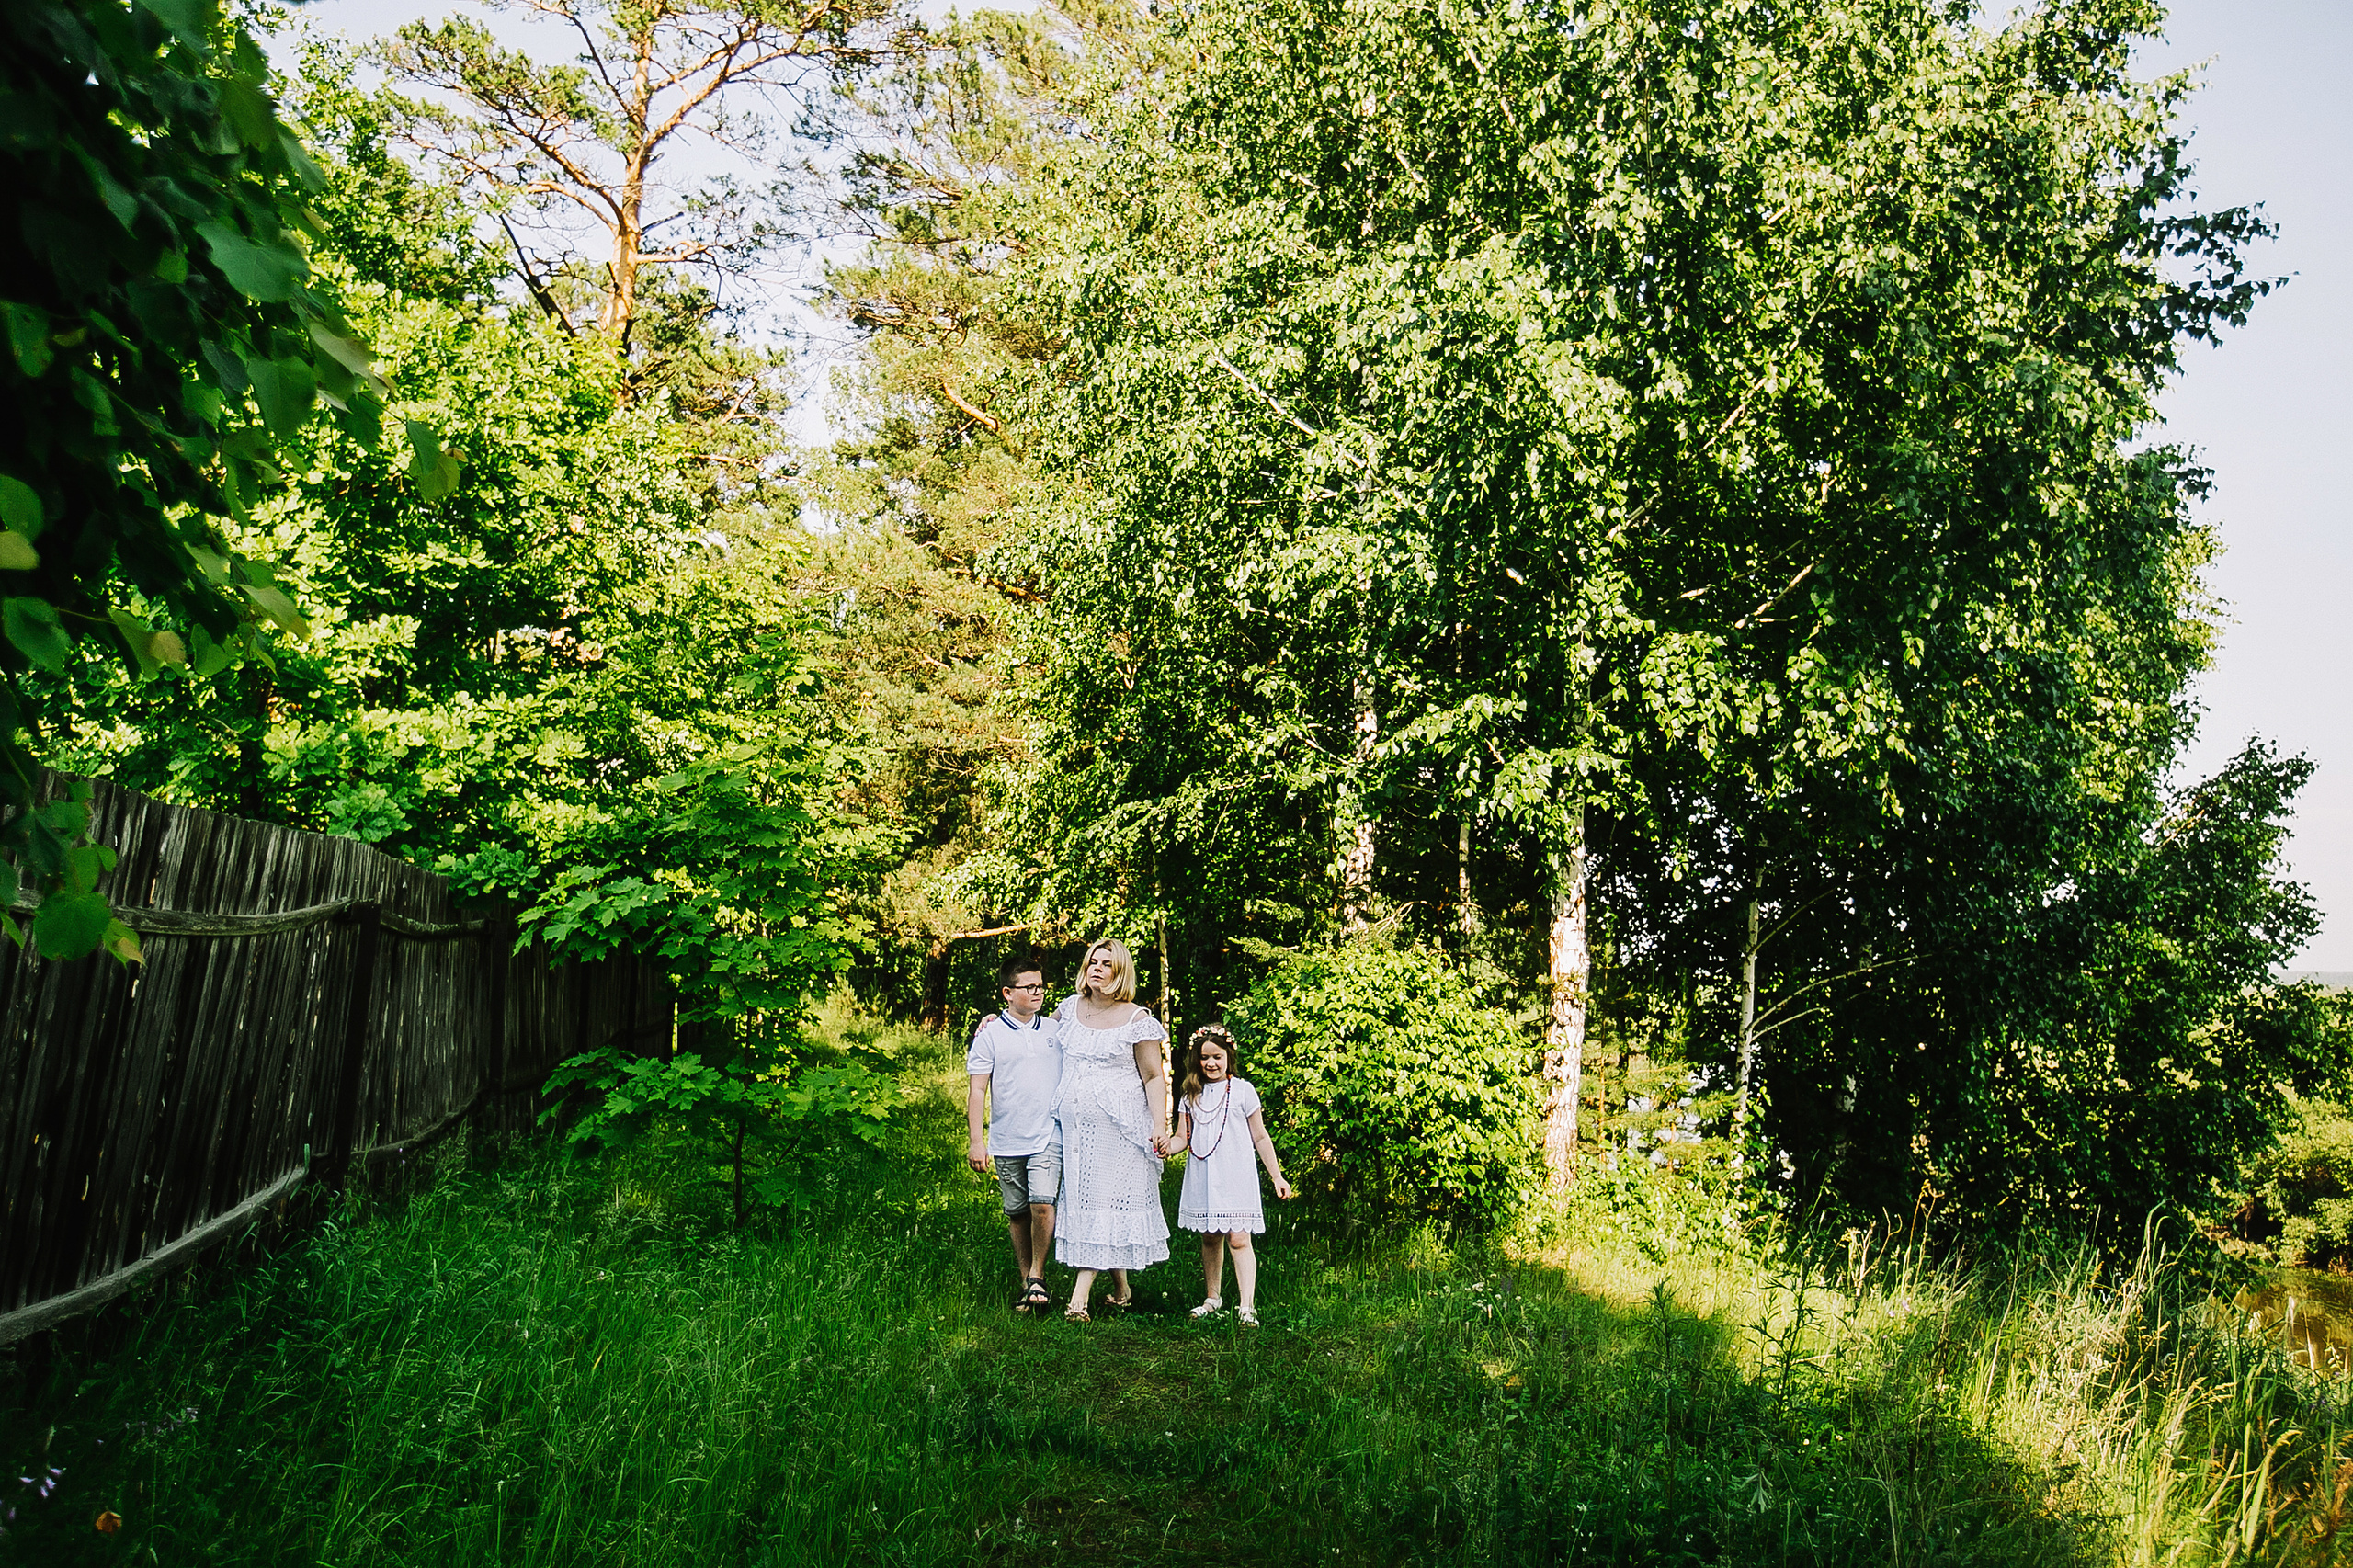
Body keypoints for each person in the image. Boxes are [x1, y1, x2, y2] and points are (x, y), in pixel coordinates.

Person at [1050, 937, 1171, 1320]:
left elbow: (1153, 1077)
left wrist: (1158, 1124)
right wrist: (997, 1021)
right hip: (1075, 1133)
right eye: (1093, 962)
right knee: (1091, 1203)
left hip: (1122, 1132)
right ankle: (1121, 1289)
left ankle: (1078, 1299)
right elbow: (1036, 1043)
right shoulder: (1068, 1009)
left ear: (1121, 973)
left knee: (1105, 1203)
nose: (1097, 968)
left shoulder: (1138, 1020)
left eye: (1107, 964)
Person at [1172, 1024, 1292, 1325]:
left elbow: (1260, 1136)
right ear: (1196, 1059)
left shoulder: (1242, 1090)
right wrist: (1165, 1146)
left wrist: (1277, 1176)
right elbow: (1181, 1138)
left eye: (1217, 1057)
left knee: (1239, 1238)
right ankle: (1213, 1298)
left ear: (1228, 1056)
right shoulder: (1190, 1095)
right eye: (1204, 1057)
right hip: (1204, 1175)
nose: (1210, 1063)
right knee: (1210, 1237)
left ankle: (1246, 1306)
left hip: (1236, 1174)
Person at [967, 953, 1063, 1314]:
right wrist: (977, 1141)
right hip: (1007, 1138)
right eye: (1029, 987)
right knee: (1018, 1211)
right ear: (1008, 993)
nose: (1038, 993)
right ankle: (1028, 1282)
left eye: (1041, 986)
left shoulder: (1056, 1030)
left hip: (1047, 1135)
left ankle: (1038, 1274)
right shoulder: (990, 1035)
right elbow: (977, 1090)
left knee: (1042, 1204)